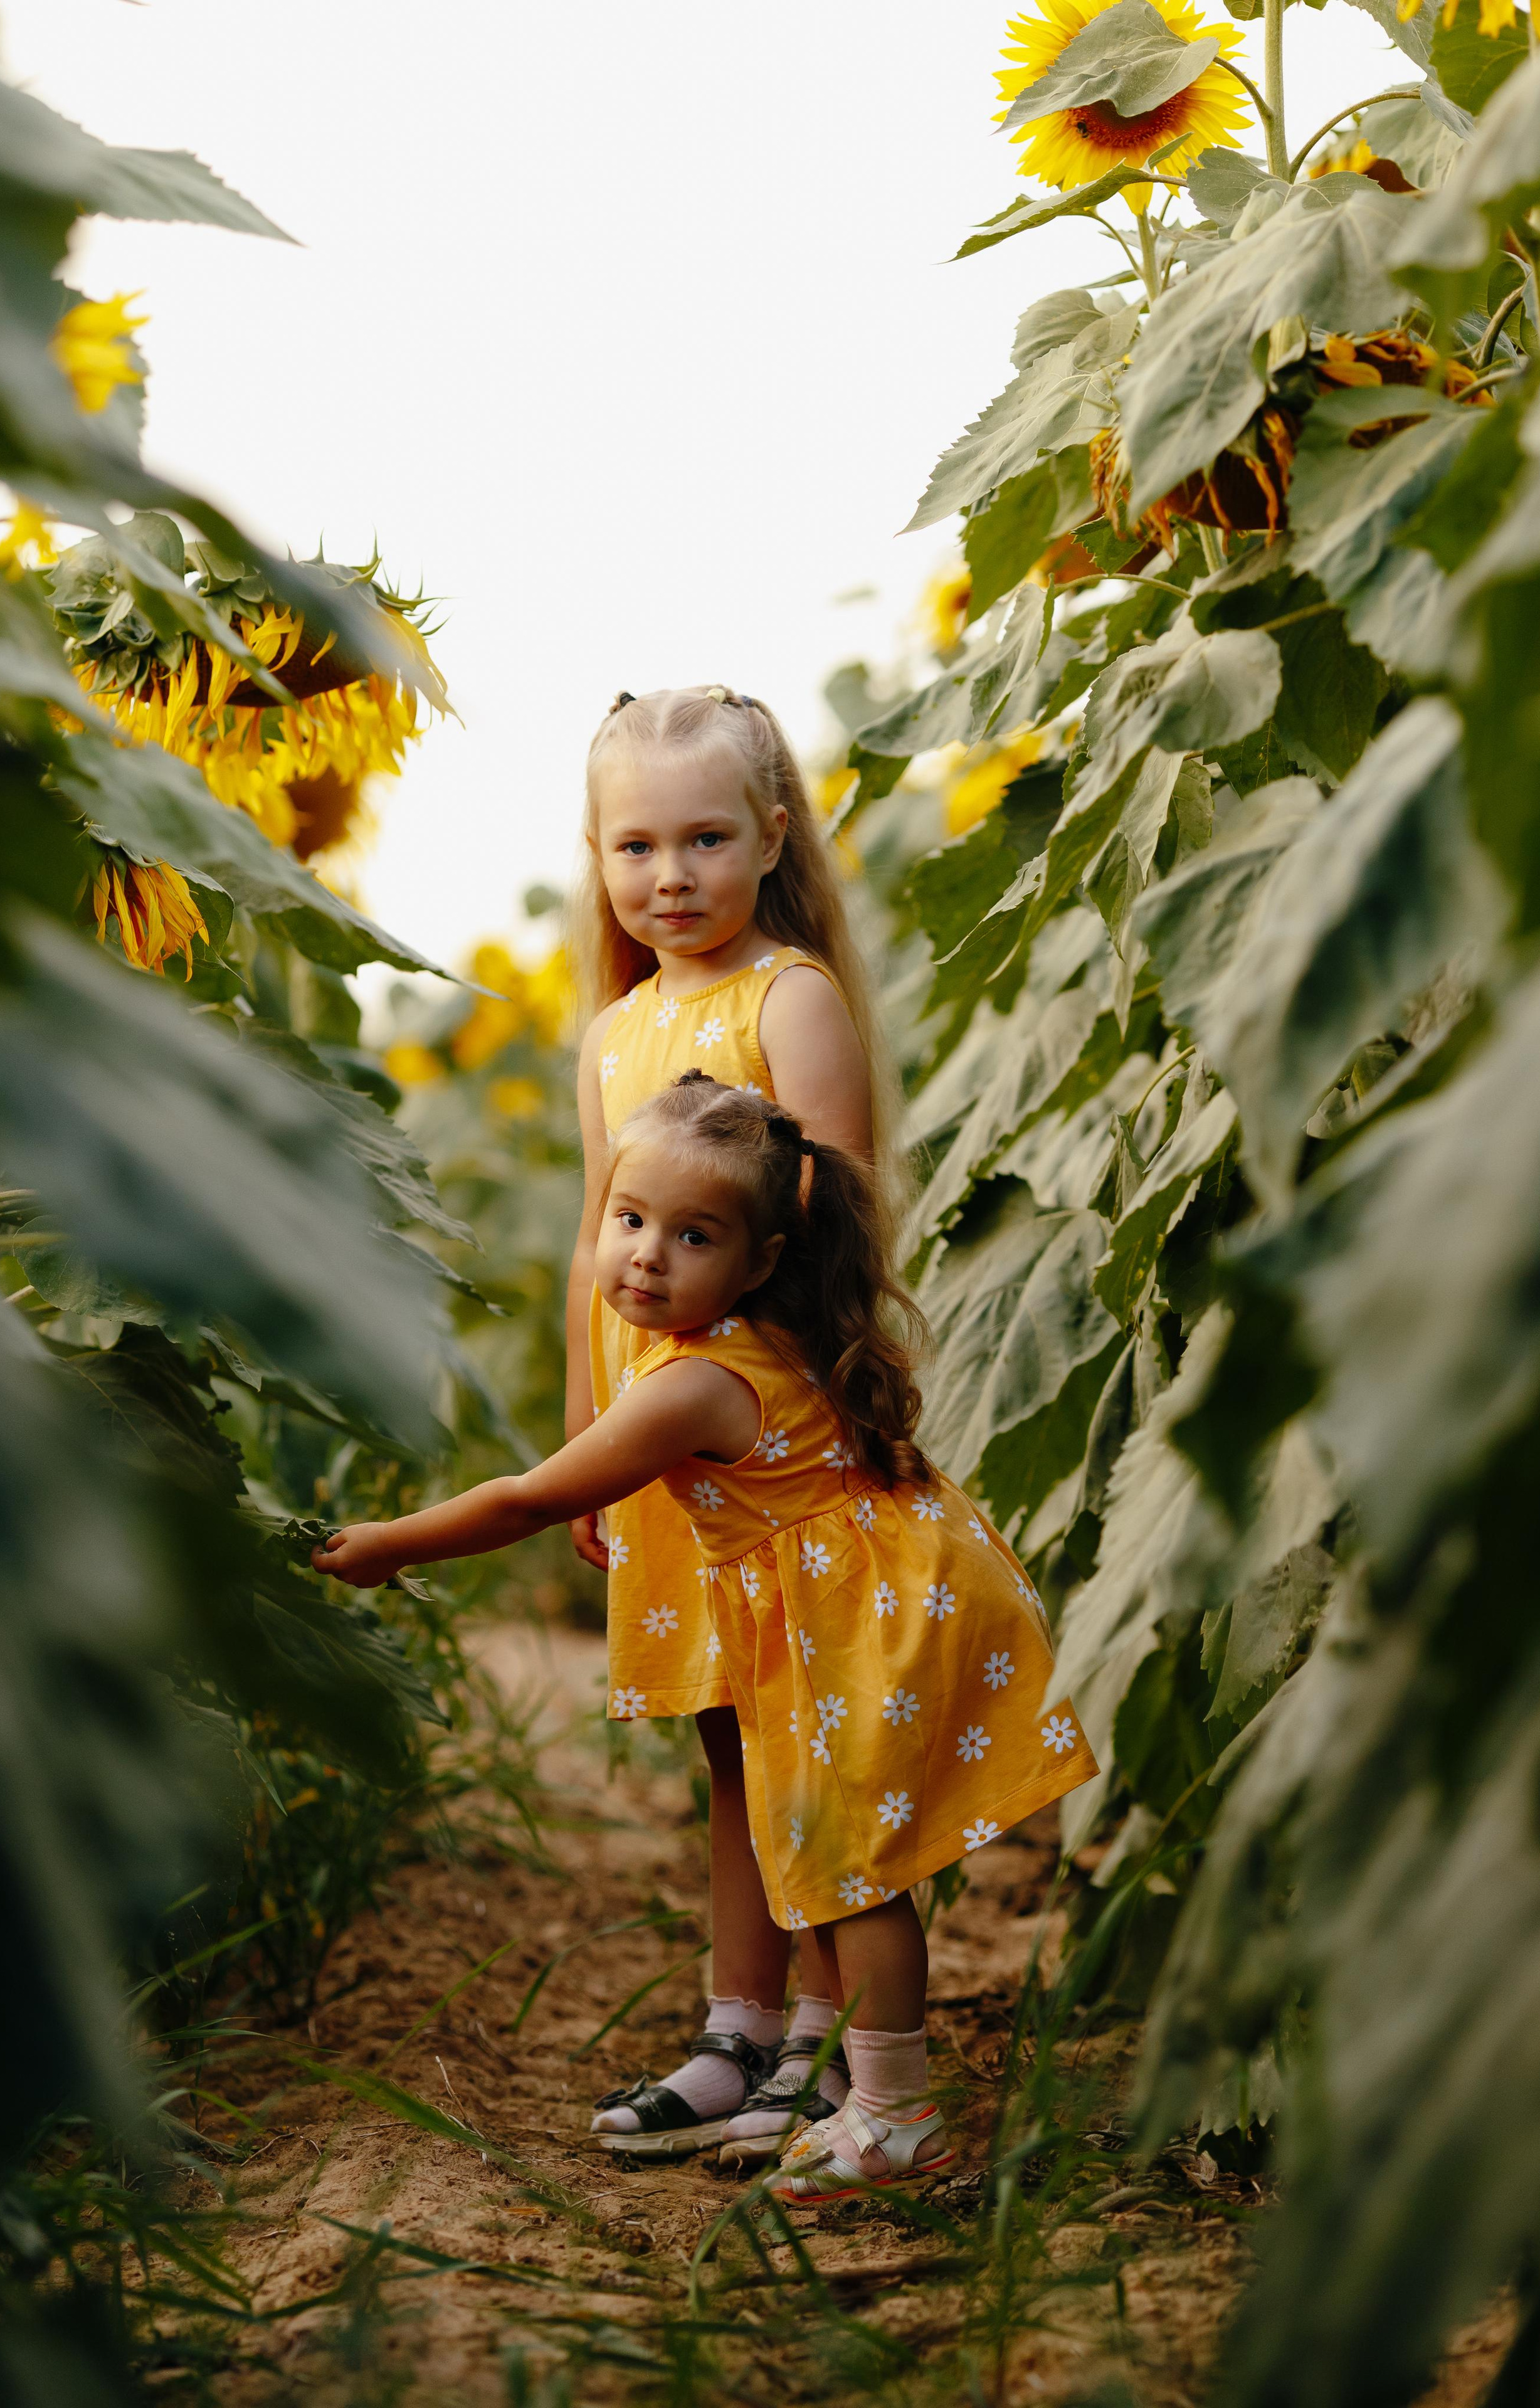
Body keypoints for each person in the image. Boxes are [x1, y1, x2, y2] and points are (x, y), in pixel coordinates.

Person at [314, 1074, 1098, 2199]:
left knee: (857, 1871)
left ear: (762, 1258)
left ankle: (896, 2113)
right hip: (876, 1596)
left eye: (693, 1235)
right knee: (830, 1859)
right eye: (628, 1220)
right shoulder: (744, 1335)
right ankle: (853, 2089)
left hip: (869, 1616)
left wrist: (394, 1541)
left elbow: (530, 1499)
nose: (644, 1256)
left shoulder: (695, 1381)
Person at [562, 683, 898, 2163]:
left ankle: (833, 2047)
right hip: (658, 1434)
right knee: (723, 1741)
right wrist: (586, 1424)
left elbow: (834, 1201)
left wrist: (776, 1396)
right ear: (599, 856)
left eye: (705, 837)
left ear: (770, 836)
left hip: (766, 1434)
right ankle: (737, 2031)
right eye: (633, 845)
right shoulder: (615, 1033)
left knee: (803, 1736)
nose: (670, 876)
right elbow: (595, 1241)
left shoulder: (789, 998)